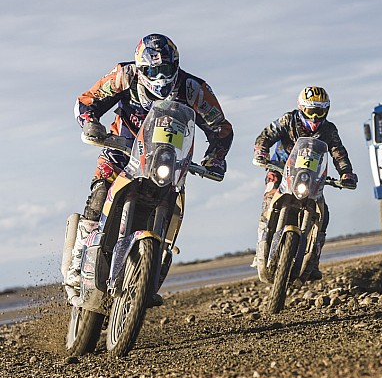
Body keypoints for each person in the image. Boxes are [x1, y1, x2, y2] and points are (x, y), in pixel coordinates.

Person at [63, 33, 234, 305]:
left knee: (172, 207)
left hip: (168, 160)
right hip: (122, 150)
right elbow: (87, 100)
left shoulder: (193, 89)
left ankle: (150, 276)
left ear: (176, 65)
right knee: (99, 196)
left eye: (165, 69)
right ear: (141, 68)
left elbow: (220, 128)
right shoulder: (124, 76)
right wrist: (90, 123)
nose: (160, 76)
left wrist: (215, 157)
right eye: (153, 70)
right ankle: (76, 267)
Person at [252, 86, 358, 282]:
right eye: (311, 111)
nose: (315, 117)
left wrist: (346, 173)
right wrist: (261, 151)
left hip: (311, 177)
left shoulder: (329, 130)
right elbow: (266, 135)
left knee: (323, 213)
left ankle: (313, 259)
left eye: (320, 111)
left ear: (327, 110)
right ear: (301, 108)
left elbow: (339, 153)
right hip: (280, 169)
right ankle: (262, 244)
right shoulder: (287, 120)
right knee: (269, 199)